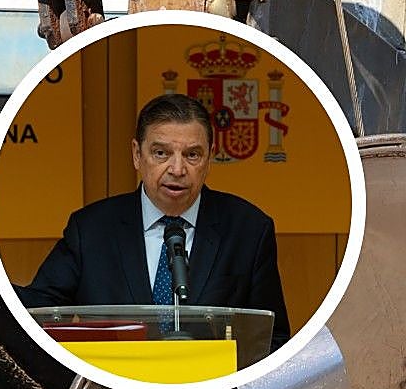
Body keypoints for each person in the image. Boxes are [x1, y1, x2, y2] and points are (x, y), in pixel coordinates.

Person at [16, 93, 291, 350]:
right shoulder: (91, 230)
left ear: (209, 157)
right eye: (161, 153)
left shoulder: (248, 230)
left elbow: (272, 339)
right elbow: (39, 314)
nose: (177, 169)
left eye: (192, 155)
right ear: (137, 154)